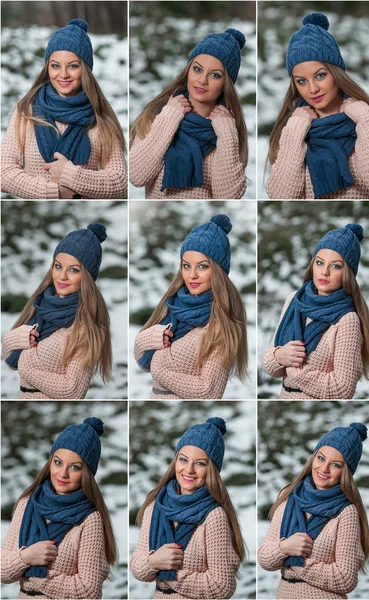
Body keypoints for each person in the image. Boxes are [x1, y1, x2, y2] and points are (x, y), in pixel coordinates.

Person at [1, 19, 127, 199]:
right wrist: (57, 192)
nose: (63, 74)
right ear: (47, 67)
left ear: (85, 69)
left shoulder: (101, 116)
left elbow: (119, 182)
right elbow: (3, 171)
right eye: (55, 65)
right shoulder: (26, 110)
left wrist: (70, 174)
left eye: (73, 66)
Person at [266, 12, 369, 199]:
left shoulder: (364, 124)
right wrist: (295, 130)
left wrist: (365, 117)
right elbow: (281, 194)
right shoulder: (294, 130)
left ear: (337, 74)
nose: (312, 89)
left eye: (320, 75)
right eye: (302, 81)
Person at [1, 417, 117, 599]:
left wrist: (37, 574)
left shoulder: (89, 519)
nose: (63, 473)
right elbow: (2, 569)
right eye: (58, 462)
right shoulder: (27, 504)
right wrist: (25, 558)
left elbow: (88, 591)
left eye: (75, 467)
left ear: (86, 473)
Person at [134, 214, 248, 399]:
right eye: (186, 266)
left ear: (217, 271)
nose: (192, 275)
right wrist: (148, 337)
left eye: (202, 267)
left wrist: (160, 369)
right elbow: (142, 362)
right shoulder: (173, 305)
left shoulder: (220, 325)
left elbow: (209, 391)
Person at [130, 416, 246, 599]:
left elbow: (222, 586)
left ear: (212, 470)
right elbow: (137, 566)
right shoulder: (156, 506)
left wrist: (168, 573)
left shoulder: (213, 516)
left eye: (200, 463)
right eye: (183, 460)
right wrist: (153, 561)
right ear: (175, 461)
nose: (189, 470)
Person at [130, 29, 248, 199]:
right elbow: (137, 175)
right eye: (197, 69)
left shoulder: (227, 130)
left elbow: (229, 196)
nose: (202, 80)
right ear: (188, 70)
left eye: (215, 75)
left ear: (226, 83)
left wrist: (227, 133)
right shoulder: (157, 116)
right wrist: (169, 117)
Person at [258, 422, 369, 600]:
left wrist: (296, 561)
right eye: (321, 458)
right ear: (313, 457)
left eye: (335, 464)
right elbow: (264, 558)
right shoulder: (290, 499)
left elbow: (345, 579)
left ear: (346, 472)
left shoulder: (346, 512)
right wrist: (285, 548)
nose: (324, 469)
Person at [262, 223, 369, 399]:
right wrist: (279, 356)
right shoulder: (294, 300)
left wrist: (297, 373)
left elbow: (343, 389)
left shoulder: (347, 319)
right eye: (320, 262)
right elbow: (269, 364)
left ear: (348, 273)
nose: (324, 272)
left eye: (336, 266)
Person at [2, 223, 112, 399]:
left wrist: (26, 367)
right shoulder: (40, 304)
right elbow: (10, 359)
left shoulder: (85, 326)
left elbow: (73, 391)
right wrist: (13, 338)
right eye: (58, 266)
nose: (62, 276)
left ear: (87, 277)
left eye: (74, 270)